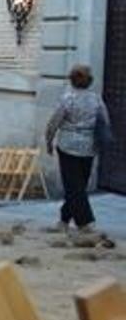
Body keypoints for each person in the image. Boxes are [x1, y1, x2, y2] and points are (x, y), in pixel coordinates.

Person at [45, 65, 113, 233]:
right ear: (89, 81)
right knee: (78, 185)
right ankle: (63, 220)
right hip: (89, 148)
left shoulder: (68, 99)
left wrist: (49, 140)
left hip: (68, 147)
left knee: (74, 187)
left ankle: (86, 222)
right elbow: (105, 120)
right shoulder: (96, 99)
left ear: (72, 80)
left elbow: (54, 122)